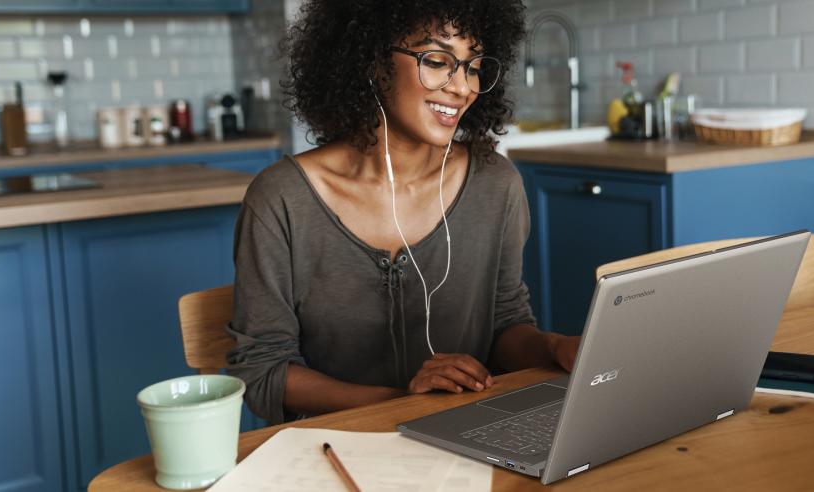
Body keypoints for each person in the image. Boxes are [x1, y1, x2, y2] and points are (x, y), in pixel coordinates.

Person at [226, 0, 580, 424]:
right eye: (436, 60)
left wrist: (555, 347)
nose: (462, 87)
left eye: (471, 66)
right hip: (332, 448)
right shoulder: (281, 199)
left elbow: (504, 325)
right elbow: (263, 371)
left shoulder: (494, 184)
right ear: (375, 60)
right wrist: (401, 401)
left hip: (465, 439)